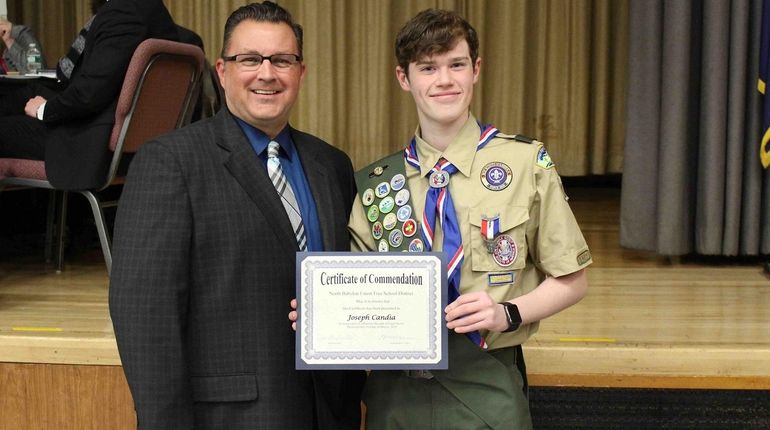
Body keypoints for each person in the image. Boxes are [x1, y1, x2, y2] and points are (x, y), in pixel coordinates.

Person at [109, 2, 365, 429]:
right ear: (222, 71)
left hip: (328, 412)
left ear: (301, 72)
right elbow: (144, 314)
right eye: (250, 59)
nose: (267, 73)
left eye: (282, 60)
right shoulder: (170, 162)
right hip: (229, 417)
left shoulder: (332, 164)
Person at [347, 9, 592, 429]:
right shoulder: (377, 184)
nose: (444, 80)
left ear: (475, 70)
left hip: (486, 380)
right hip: (396, 393)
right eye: (427, 67)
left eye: (456, 64)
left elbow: (572, 279)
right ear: (404, 78)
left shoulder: (524, 163)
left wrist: (508, 313)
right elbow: (356, 297)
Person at [0, 0, 180, 190]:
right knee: (24, 94)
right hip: (119, 132)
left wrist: (43, 110)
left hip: (92, 142)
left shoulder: (123, 13)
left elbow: (89, 94)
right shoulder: (151, 9)